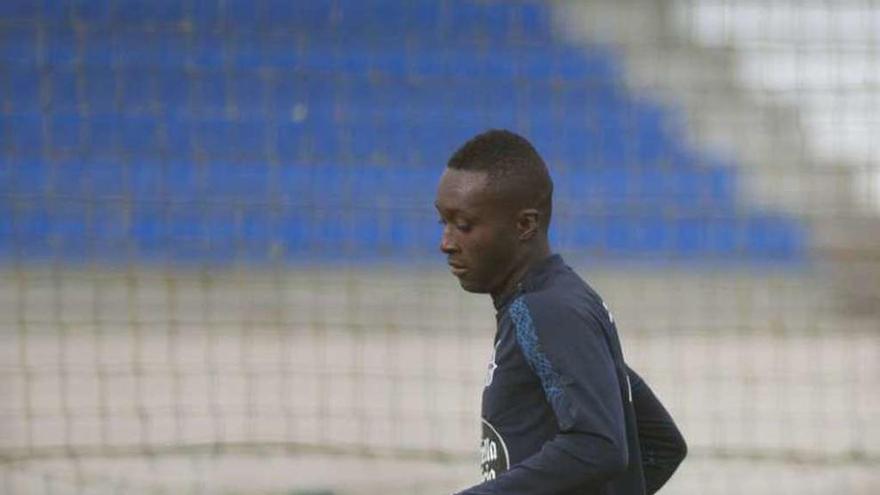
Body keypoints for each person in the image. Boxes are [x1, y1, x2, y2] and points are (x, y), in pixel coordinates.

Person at [434, 130, 686, 494]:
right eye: (442, 222)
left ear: (525, 225)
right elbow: (660, 443)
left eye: (464, 225)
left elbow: (599, 445)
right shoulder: (546, 305)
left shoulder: (548, 311)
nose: (446, 243)